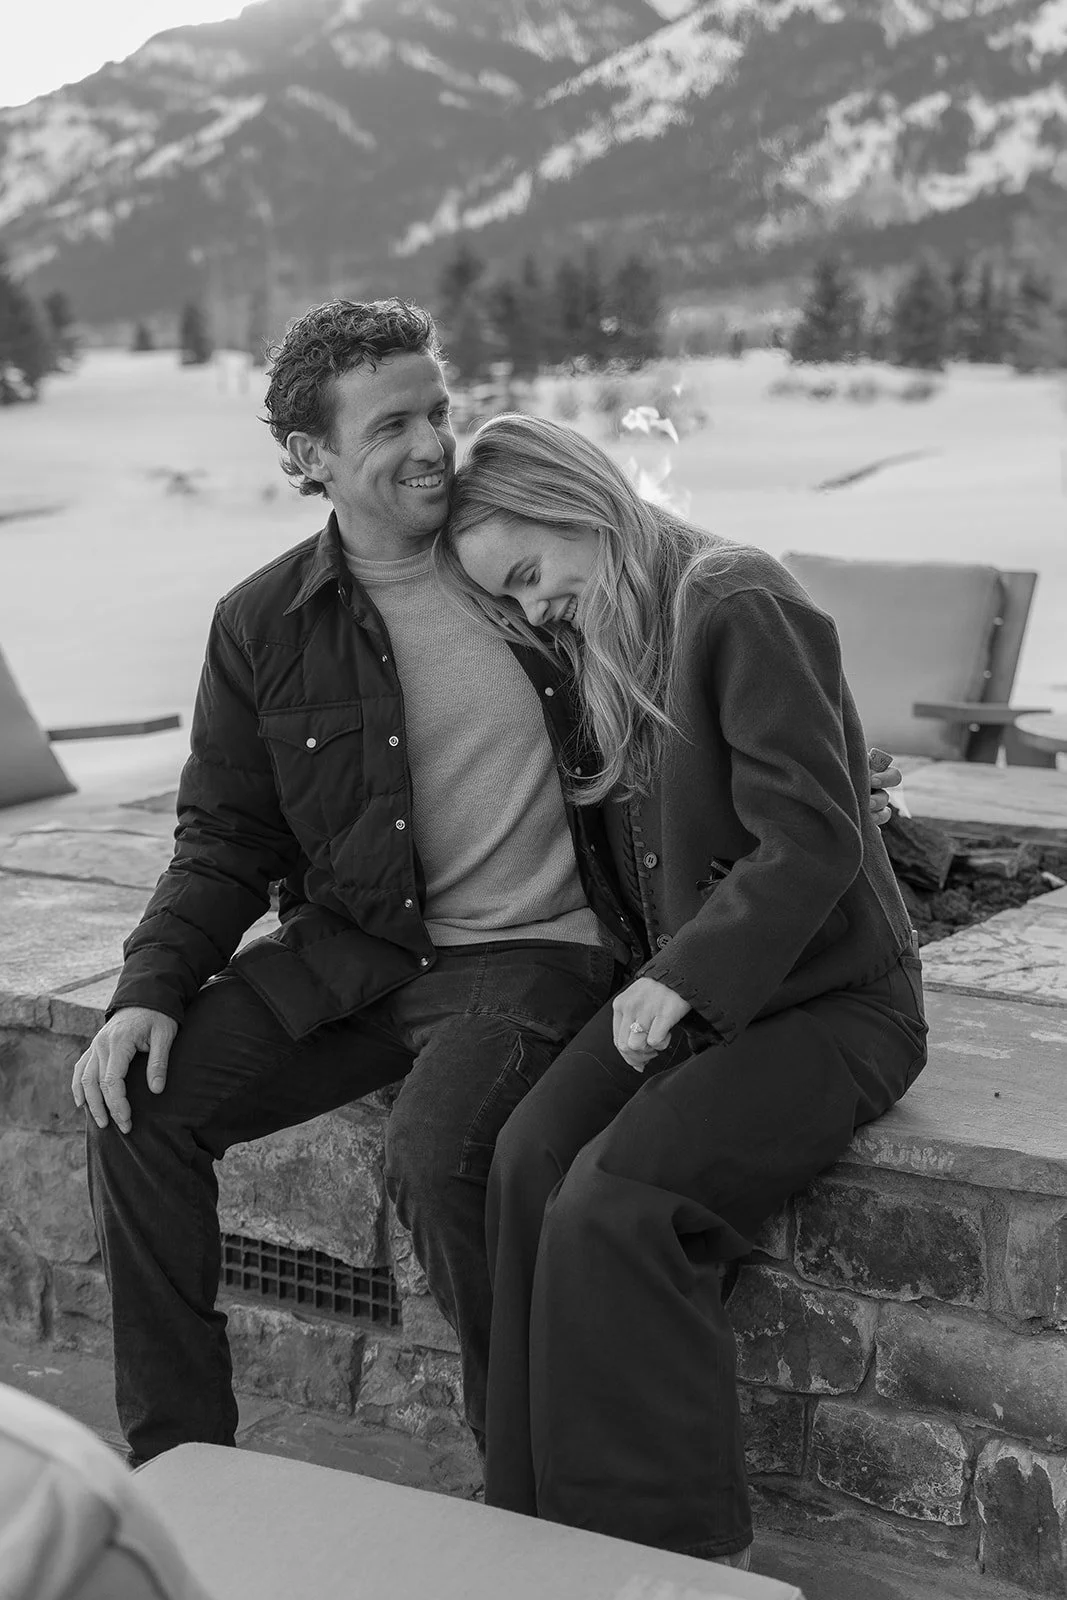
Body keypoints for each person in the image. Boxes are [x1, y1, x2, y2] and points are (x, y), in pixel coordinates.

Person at [71, 298, 900, 1473]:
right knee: (135, 1108)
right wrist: (150, 985)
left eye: (436, 410)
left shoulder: (528, 570)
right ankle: (179, 1463)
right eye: (390, 426)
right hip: (356, 954)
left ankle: (520, 1464)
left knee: (441, 1155)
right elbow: (223, 833)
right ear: (311, 459)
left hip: (531, 955)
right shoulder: (263, 624)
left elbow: (695, 716)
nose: (429, 445)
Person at [435, 412, 928, 1569]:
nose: (530, 607)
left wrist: (683, 979)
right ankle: (534, 1515)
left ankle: (670, 1557)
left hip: (832, 1004)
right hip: (699, 1005)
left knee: (617, 1205)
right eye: (504, 601)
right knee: (524, 1158)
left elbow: (809, 840)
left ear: (577, 503)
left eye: (529, 574)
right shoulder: (608, 641)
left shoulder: (733, 600)